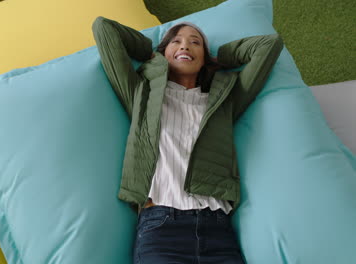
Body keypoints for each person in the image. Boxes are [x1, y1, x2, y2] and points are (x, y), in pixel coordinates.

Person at [92, 16, 283, 264]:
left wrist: (219, 57)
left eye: (196, 43)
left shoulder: (224, 100)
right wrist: (150, 52)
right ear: (164, 52)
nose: (185, 46)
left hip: (218, 232)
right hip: (160, 229)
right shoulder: (142, 95)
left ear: (204, 57)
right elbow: (104, 29)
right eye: (176, 41)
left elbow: (269, 44)